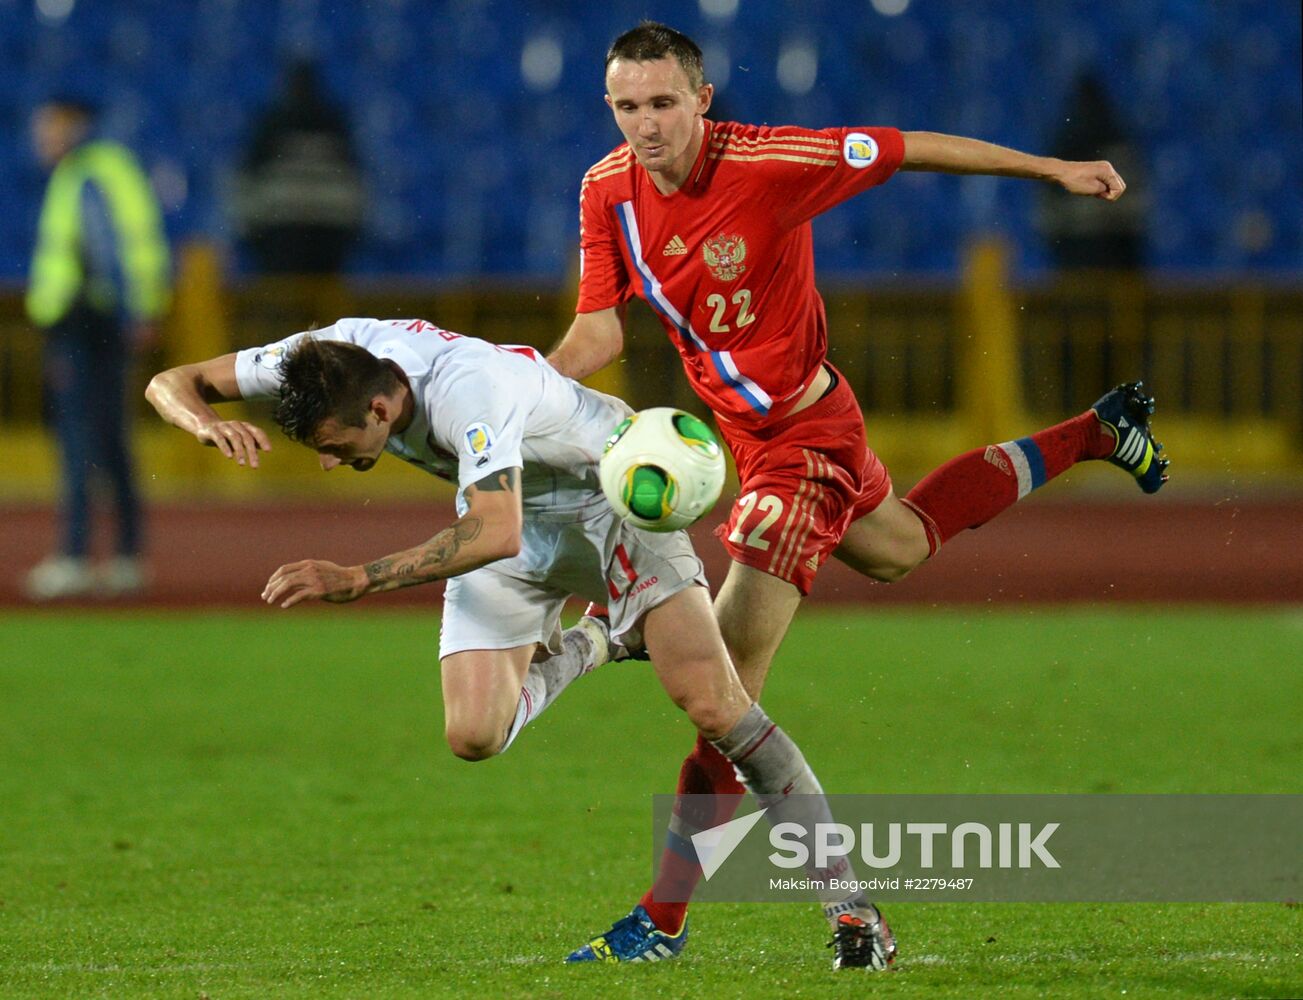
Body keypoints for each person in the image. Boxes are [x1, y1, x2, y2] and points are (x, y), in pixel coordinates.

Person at [546, 21, 1171, 965]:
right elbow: (598, 331)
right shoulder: (604, 192)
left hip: (803, 444)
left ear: (700, 100)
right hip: (743, 444)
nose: (645, 125)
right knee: (903, 546)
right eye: (627, 106)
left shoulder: (770, 163)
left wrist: (1052, 168)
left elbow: (911, 145)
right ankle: (1096, 428)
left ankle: (681, 918)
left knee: (721, 693)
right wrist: (533, 392)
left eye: (662, 103)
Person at [144, 317, 898, 971]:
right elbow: (171, 380)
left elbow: (491, 533)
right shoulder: (322, 358)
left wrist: (358, 579)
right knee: (473, 734)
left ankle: (850, 907)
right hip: (507, 517)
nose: (329, 462)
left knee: (714, 705)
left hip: (608, 502)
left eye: (338, 446)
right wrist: (202, 423)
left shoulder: (468, 391)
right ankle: (598, 641)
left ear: (381, 406)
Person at [24, 96, 171, 600]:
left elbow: (104, 247)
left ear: (70, 125)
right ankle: (128, 556)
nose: (40, 138)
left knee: (80, 442)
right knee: (110, 440)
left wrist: (133, 310)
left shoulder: (85, 173)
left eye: (47, 126)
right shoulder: (111, 166)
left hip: (84, 320)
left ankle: (74, 556)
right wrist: (138, 310)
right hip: (106, 320)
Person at [233, 58, 365, 275]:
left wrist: (250, 232)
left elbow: (247, 176)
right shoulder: (334, 122)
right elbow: (355, 180)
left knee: (285, 298)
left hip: (281, 229)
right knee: (321, 299)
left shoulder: (273, 122)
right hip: (326, 229)